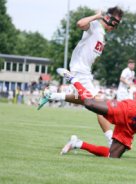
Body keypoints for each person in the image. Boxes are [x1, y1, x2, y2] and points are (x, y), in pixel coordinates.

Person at [38, 6, 124, 146]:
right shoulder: (95, 25)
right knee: (99, 104)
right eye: (115, 23)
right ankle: (111, 141)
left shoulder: (101, 35)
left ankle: (52, 96)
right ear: (108, 18)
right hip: (80, 70)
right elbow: (79, 24)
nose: (115, 28)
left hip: (85, 72)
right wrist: (97, 16)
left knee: (86, 100)